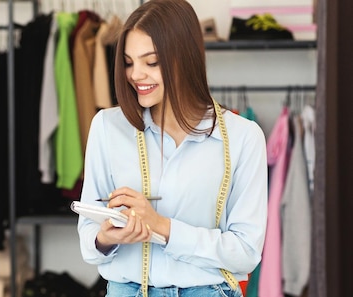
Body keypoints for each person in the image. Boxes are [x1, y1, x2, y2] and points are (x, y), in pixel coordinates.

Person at [76, 0, 268, 296]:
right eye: (128, 62)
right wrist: (107, 237)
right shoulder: (107, 127)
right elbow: (89, 240)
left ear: (185, 58)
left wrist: (162, 227)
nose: (135, 74)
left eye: (150, 62)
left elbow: (246, 251)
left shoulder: (243, 138)